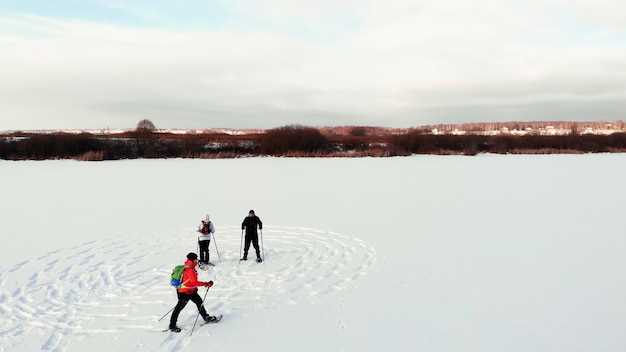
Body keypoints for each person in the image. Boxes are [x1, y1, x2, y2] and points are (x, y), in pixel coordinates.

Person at [169, 252, 217, 333]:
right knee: (178, 308)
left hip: (190, 290)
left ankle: (206, 317)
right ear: (193, 259)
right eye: (196, 259)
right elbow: (194, 282)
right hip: (184, 292)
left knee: (199, 302)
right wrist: (206, 284)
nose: (197, 260)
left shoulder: (187, 265)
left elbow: (190, 282)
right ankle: (172, 325)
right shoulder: (190, 270)